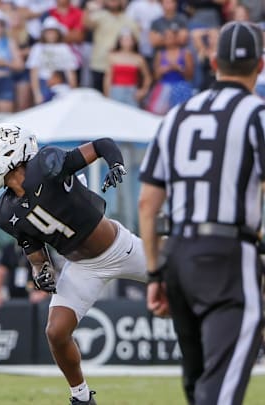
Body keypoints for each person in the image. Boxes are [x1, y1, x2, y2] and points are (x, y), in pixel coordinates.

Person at [0, 123, 146, 404]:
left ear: (11, 152)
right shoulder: (4, 212)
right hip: (83, 267)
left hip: (120, 248)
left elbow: (102, 144)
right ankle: (81, 396)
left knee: (182, 279)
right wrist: (41, 272)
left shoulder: (47, 164)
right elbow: (35, 251)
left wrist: (116, 165)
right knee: (56, 331)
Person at [139, 21, 265, 405]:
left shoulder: (176, 116)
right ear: (260, 66)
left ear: (213, 62)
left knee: (198, 384)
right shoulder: (257, 114)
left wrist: (156, 271)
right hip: (228, 254)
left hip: (178, 254)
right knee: (220, 388)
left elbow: (148, 202)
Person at [84, 0, 139, 93]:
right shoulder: (99, 16)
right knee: (97, 97)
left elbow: (136, 40)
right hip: (99, 64)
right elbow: (86, 24)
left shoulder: (129, 20)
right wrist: (87, 10)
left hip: (119, 68)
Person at [26, 16, 78, 105]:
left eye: (53, 32)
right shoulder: (37, 48)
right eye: (48, 32)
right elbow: (34, 72)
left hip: (61, 83)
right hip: (44, 82)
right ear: (44, 33)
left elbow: (70, 71)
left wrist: (73, 90)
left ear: (58, 33)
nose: (51, 35)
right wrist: (37, 93)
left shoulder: (64, 48)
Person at [146, 24, 194, 115]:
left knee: (180, 114)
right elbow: (156, 76)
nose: (168, 39)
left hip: (181, 88)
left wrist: (179, 69)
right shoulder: (160, 54)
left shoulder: (185, 53)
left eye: (171, 37)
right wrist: (162, 70)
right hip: (163, 87)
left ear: (176, 38)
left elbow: (190, 76)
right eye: (166, 37)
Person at [0, 242, 50, 307]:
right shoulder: (9, 248)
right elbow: (0, 272)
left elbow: (48, 272)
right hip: (12, 294)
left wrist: (42, 293)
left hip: (34, 296)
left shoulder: (40, 248)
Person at [104, 29, 152, 107]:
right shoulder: (112, 57)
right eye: (124, 39)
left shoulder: (139, 58)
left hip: (132, 91)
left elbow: (147, 77)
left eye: (129, 39)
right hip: (116, 90)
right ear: (120, 41)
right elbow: (108, 78)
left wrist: (143, 91)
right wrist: (107, 95)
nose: (127, 42)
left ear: (133, 41)